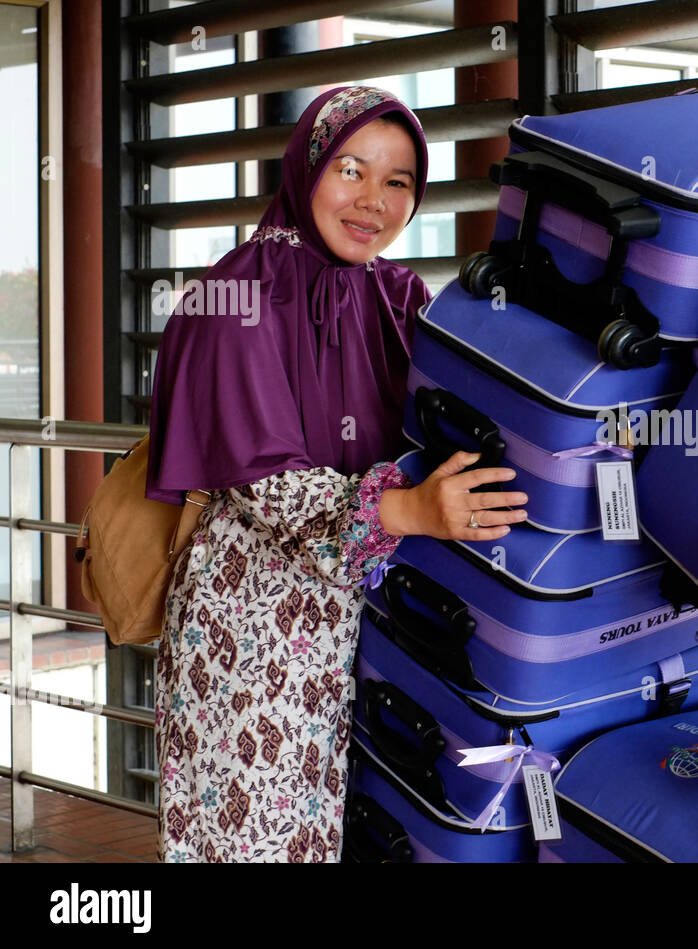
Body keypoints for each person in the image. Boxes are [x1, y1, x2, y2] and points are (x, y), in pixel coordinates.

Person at [145, 85, 527, 863]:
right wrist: (412, 511)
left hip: (372, 633)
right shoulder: (238, 292)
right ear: (309, 165)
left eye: (398, 183)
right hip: (255, 642)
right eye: (352, 170)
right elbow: (268, 486)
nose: (373, 202)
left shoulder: (398, 296)